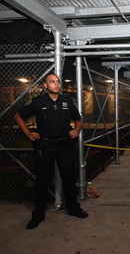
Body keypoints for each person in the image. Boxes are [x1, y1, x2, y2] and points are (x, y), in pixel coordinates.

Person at [14, 73, 88, 230]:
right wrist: (28, 133)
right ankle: (38, 214)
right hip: (45, 146)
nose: (56, 84)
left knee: (69, 177)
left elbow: (78, 119)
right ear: (45, 86)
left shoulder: (67, 101)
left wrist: (77, 129)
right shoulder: (38, 102)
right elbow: (18, 116)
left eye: (58, 82)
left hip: (64, 146)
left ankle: (73, 209)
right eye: (52, 82)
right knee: (42, 180)